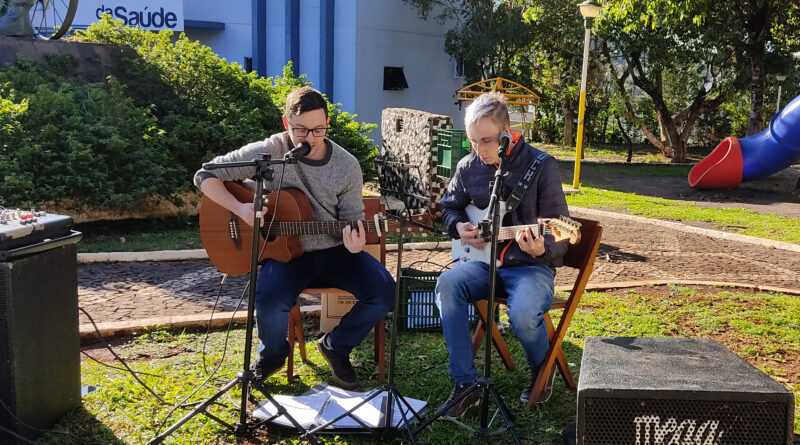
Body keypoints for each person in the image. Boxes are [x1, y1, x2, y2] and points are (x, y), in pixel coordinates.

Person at [193, 86, 394, 390]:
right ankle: (273, 353)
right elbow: (204, 175)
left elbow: (352, 218)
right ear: (286, 123)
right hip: (286, 255)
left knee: (384, 291)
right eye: (301, 130)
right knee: (269, 298)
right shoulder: (269, 152)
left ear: (328, 123)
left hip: (335, 251)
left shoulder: (347, 165)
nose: (310, 138)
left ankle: (336, 346)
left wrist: (355, 241)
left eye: (318, 129)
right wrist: (240, 209)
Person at [435, 92, 569, 417]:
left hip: (530, 267)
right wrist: (459, 227)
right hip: (484, 265)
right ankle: (465, 384)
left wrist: (542, 247)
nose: (478, 150)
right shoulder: (469, 166)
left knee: (522, 314)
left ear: (507, 132)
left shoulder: (541, 165)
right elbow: (448, 206)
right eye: (472, 142)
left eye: (486, 141)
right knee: (447, 285)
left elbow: (561, 228)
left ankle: (542, 368)